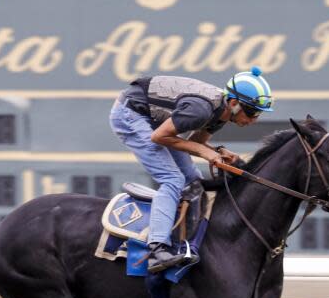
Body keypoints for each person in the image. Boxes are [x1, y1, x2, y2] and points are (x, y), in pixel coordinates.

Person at [109, 66, 274, 273]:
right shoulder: (202, 110)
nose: (253, 120)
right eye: (251, 112)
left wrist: (218, 151)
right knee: (172, 179)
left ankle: (186, 241)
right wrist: (207, 154)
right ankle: (156, 249)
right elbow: (159, 137)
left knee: (193, 179)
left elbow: (196, 142)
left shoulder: (220, 115)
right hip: (131, 114)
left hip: (155, 120)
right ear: (233, 103)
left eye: (258, 114)